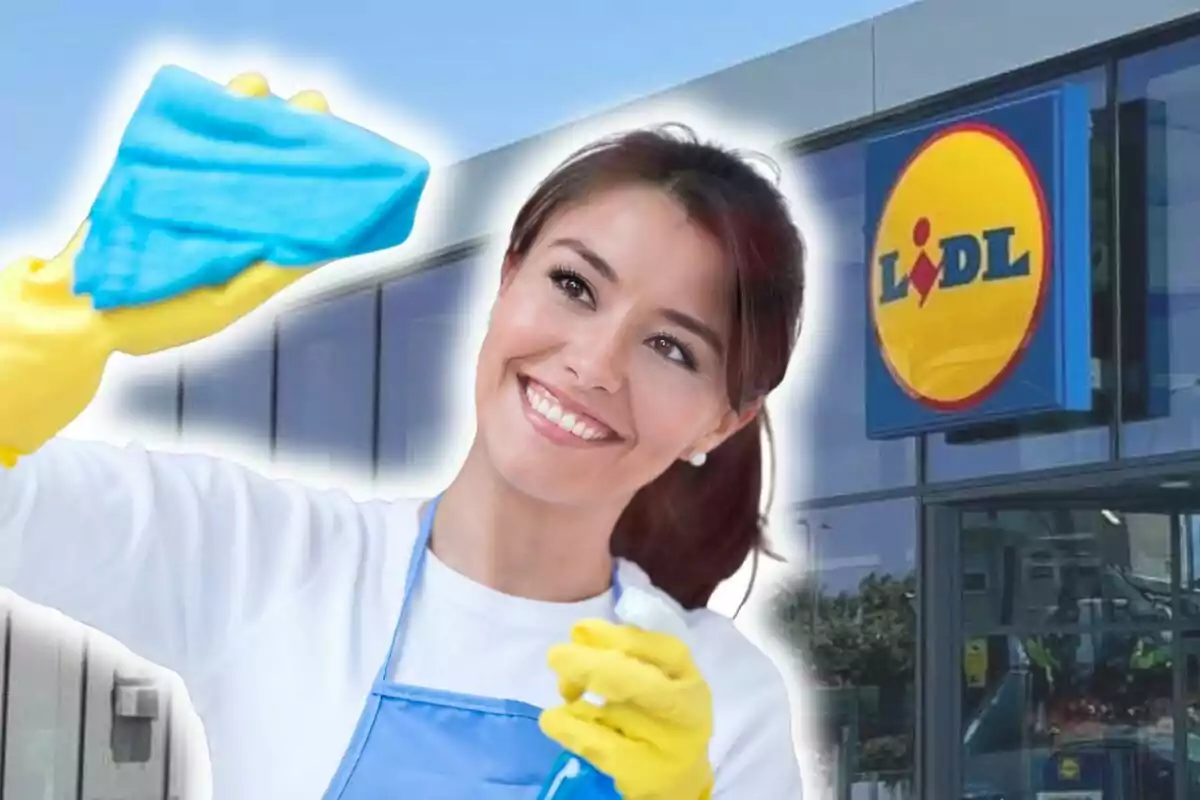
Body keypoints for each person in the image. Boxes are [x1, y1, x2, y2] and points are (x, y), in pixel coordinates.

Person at [0, 73, 807, 799]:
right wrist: (59, 316)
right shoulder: (274, 561)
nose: (595, 364)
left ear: (722, 419)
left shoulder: (714, 699)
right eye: (573, 284)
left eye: (672, 347)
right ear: (507, 277)